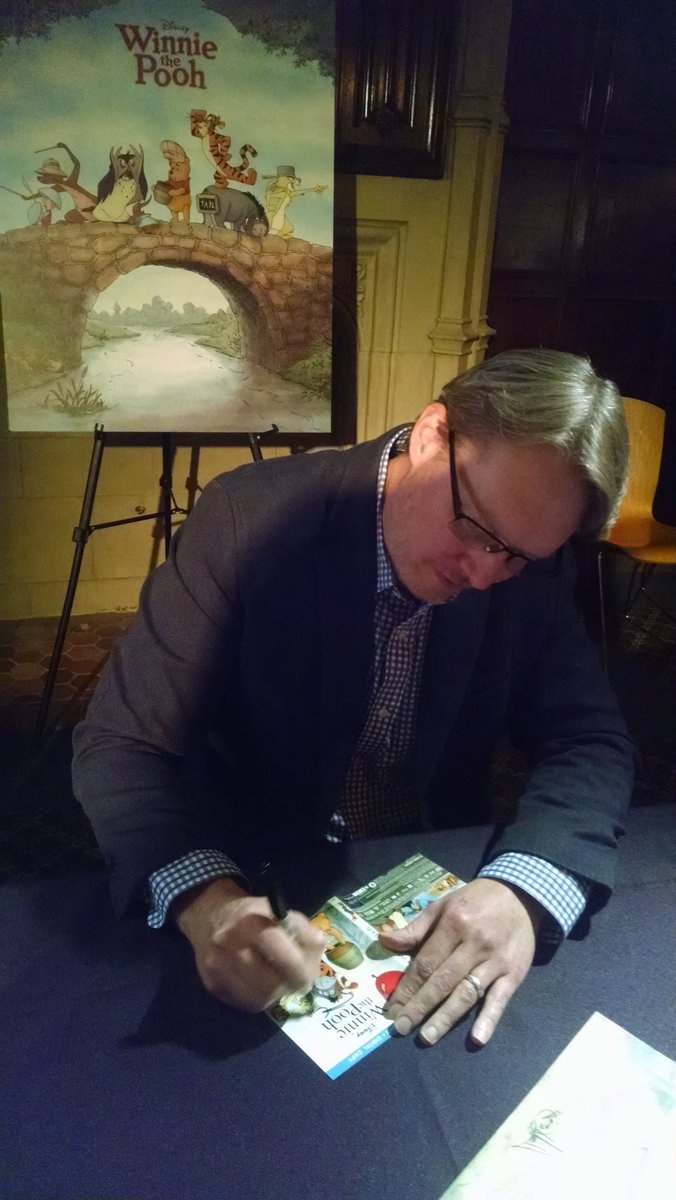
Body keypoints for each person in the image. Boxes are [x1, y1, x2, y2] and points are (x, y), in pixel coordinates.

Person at [72, 348, 634, 1048]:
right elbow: (124, 743)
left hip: (436, 870)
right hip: (257, 873)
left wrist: (523, 888)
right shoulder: (251, 518)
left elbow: (589, 738)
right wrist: (205, 901)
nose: (484, 574)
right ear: (432, 434)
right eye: (475, 528)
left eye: (518, 556)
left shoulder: (528, 563)